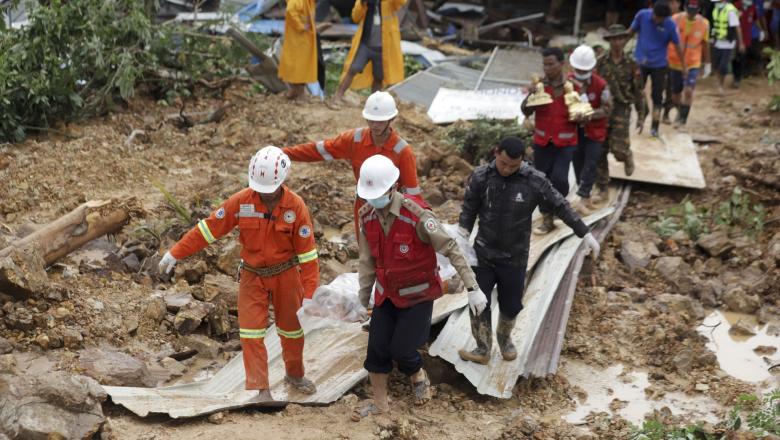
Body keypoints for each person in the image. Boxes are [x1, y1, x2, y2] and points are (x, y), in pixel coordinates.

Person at [158, 147, 320, 401]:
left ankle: (295, 374)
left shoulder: (295, 207)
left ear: (282, 181)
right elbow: (209, 229)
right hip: (252, 276)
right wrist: (176, 252)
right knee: (251, 332)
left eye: (269, 188)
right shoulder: (241, 201)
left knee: (291, 330)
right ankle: (261, 390)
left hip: (286, 275)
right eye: (260, 188)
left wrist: (310, 295)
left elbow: (308, 255)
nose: (264, 193)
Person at [352, 155, 488, 419]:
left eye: (379, 194)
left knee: (402, 349)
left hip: (418, 295)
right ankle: (380, 404)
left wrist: (473, 287)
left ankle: (417, 374)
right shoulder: (366, 216)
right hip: (387, 294)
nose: (374, 200)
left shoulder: (417, 216)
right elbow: (367, 261)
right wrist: (362, 299)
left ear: (393, 188)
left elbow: (450, 248)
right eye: (370, 195)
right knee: (376, 350)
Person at [457, 137, 601, 365]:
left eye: (513, 166)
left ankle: (504, 339)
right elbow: (469, 207)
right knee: (478, 302)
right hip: (483, 253)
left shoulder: (534, 180)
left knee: (511, 306)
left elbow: (560, 205)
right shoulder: (481, 176)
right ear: (496, 153)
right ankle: (482, 348)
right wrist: (463, 234)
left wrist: (584, 233)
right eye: (503, 163)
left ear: (522, 161)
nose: (506, 169)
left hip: (515, 256)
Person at [282, 91, 421, 237]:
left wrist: (419, 225)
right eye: (371, 120)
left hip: (391, 209)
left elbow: (412, 193)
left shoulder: (402, 151)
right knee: (365, 248)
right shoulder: (355, 140)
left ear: (391, 119)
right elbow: (321, 150)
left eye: (380, 121)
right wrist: (284, 153)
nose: (375, 125)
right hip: (363, 205)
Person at [521, 47, 579, 235]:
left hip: (566, 141)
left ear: (562, 64)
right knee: (541, 180)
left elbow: (583, 110)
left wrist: (582, 117)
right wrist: (531, 95)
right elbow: (525, 110)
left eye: (551, 64)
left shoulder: (573, 86)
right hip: (542, 141)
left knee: (560, 179)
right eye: (544, 65)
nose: (547, 68)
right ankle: (547, 216)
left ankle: (558, 207)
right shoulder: (539, 86)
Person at [595, 24, 646, 197]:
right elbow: (593, 86)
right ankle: (602, 186)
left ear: (624, 40)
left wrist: (641, 115)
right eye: (613, 39)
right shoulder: (601, 62)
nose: (617, 42)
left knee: (618, 148)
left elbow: (639, 91)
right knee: (600, 149)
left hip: (621, 110)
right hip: (602, 110)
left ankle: (627, 156)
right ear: (609, 41)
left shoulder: (632, 64)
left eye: (620, 38)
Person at [627, 1, 687, 137]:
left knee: (657, 96)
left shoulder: (670, 25)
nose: (656, 20)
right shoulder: (642, 16)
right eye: (655, 16)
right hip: (641, 61)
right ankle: (644, 111)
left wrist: (684, 66)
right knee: (636, 90)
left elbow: (678, 46)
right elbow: (630, 32)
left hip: (659, 65)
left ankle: (655, 126)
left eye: (660, 18)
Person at [568, 45, 613, 213]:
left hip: (595, 130)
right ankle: (583, 193)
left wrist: (590, 114)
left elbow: (607, 109)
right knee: (577, 161)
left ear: (592, 68)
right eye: (578, 69)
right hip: (575, 131)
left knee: (591, 162)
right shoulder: (568, 83)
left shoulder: (601, 85)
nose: (580, 73)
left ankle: (584, 195)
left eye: (584, 70)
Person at [334, 0, 406, 101]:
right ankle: (338, 95)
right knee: (353, 69)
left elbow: (400, 2)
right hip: (365, 45)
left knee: (378, 77)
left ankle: (374, 101)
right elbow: (355, 17)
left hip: (383, 48)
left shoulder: (388, 3)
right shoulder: (364, 2)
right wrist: (363, 3)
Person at [666, 0, 711, 127]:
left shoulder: (704, 23)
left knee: (689, 90)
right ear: (685, 8)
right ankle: (680, 112)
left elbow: (705, 44)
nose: (691, 14)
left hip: (693, 63)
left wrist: (707, 63)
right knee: (675, 93)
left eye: (694, 11)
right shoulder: (675, 19)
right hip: (675, 62)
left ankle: (683, 119)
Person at [278, 0, 318, 100]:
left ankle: (295, 91)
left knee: (301, 66)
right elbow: (290, 10)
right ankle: (299, 93)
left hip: (304, 39)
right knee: (298, 67)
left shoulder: (309, 2)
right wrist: (300, 26)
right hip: (297, 40)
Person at [710, 0, 744, 93]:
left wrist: (740, 43)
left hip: (728, 43)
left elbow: (737, 28)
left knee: (723, 66)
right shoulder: (715, 10)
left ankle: (721, 84)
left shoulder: (731, 11)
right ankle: (719, 83)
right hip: (717, 42)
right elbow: (714, 25)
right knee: (716, 64)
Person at [732, 0, 759, 86]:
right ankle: (737, 78)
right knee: (737, 59)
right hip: (736, 39)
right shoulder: (736, 7)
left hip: (747, 38)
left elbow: (755, 19)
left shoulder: (752, 7)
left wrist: (762, 30)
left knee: (744, 57)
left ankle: (742, 75)